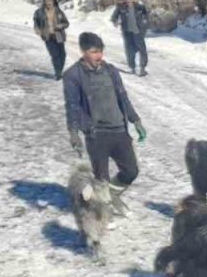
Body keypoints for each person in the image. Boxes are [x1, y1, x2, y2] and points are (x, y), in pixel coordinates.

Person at [63, 32, 147, 205]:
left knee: (131, 171)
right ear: (83, 52)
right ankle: (100, 210)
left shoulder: (111, 71)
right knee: (102, 179)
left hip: (119, 130)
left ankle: (109, 196)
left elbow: (123, 97)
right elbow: (72, 106)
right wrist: (74, 132)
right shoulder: (72, 75)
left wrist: (135, 120)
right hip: (97, 134)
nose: (99, 56)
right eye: (94, 52)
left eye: (100, 51)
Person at [110, 0, 150, 76]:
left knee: (141, 49)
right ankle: (132, 68)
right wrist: (115, 22)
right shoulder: (120, 7)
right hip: (127, 32)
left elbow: (146, 14)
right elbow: (113, 17)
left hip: (137, 31)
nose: (129, 1)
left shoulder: (140, 7)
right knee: (129, 51)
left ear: (134, 0)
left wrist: (145, 22)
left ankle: (142, 68)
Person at [32, 0, 70, 80]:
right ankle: (58, 73)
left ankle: (59, 70)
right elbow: (36, 23)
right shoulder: (39, 12)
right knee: (55, 55)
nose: (48, 3)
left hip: (59, 35)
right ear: (44, 2)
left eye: (50, 1)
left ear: (53, 1)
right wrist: (37, 29)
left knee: (62, 55)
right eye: (46, 1)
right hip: (48, 36)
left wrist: (60, 26)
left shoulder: (58, 11)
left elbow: (66, 23)